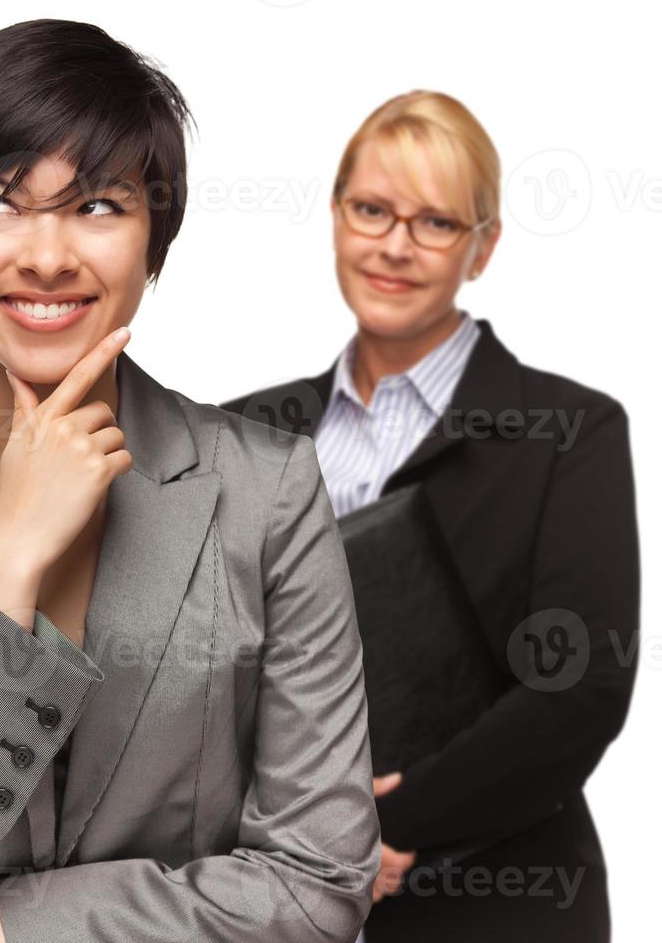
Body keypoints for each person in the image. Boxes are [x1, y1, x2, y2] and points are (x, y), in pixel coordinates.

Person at [0, 19, 380, 942]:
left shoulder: (268, 491)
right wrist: (9, 553)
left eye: (97, 205)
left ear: (153, 239)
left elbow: (318, 887)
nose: (47, 255)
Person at [224, 90, 639, 941]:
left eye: (436, 223)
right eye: (371, 209)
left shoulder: (566, 433)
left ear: (482, 248)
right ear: (337, 216)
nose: (394, 246)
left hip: (495, 898)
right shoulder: (243, 432)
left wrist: (399, 824)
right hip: (266, 897)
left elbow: (579, 685)